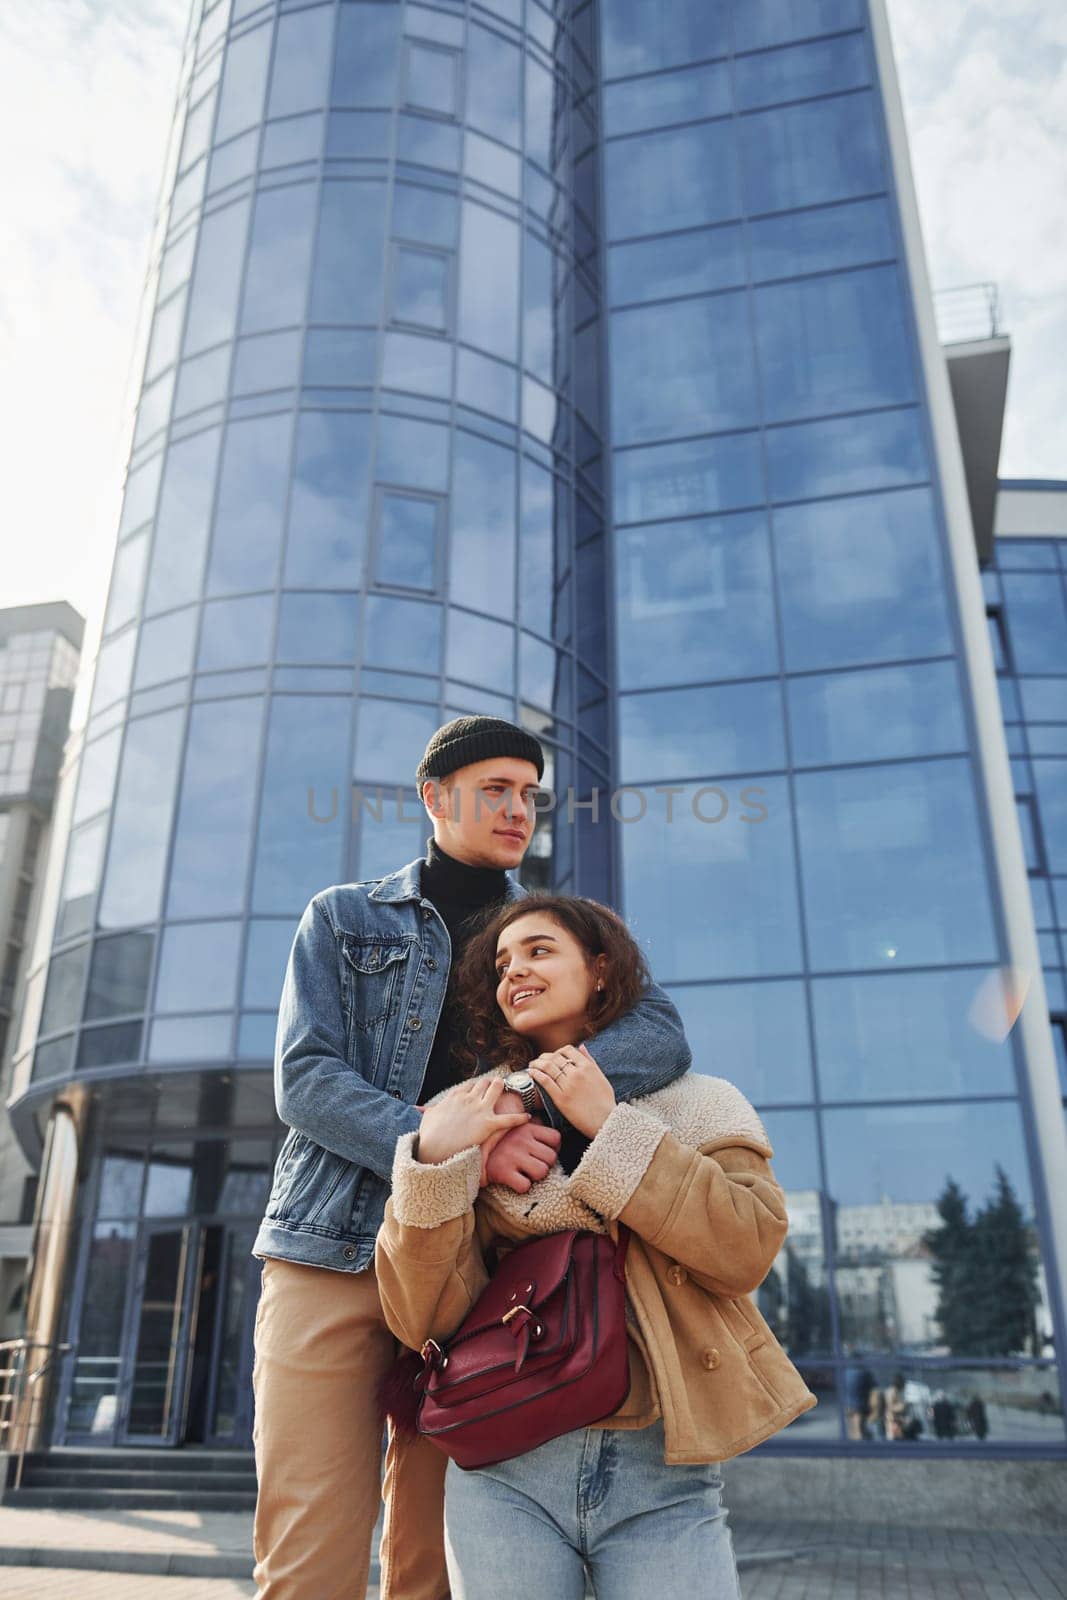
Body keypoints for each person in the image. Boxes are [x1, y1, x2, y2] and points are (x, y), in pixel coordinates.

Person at [250, 718, 693, 1599]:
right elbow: (304, 1080)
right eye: (494, 788)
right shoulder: (346, 916)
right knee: (308, 1548)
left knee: (436, 1563)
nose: (517, 808)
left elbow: (660, 1033)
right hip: (329, 1248)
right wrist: (441, 1145)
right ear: (433, 797)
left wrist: (515, 1105)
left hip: (473, 1273)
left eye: (529, 794)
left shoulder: (547, 927)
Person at [376, 893, 818, 1600]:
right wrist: (434, 1167)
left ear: (603, 970)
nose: (514, 971)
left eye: (539, 950)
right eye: (501, 963)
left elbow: (744, 1248)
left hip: (662, 1472)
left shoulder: (700, 1100)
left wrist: (608, 1126)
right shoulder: (472, 1113)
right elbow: (420, 1321)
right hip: (503, 1471)